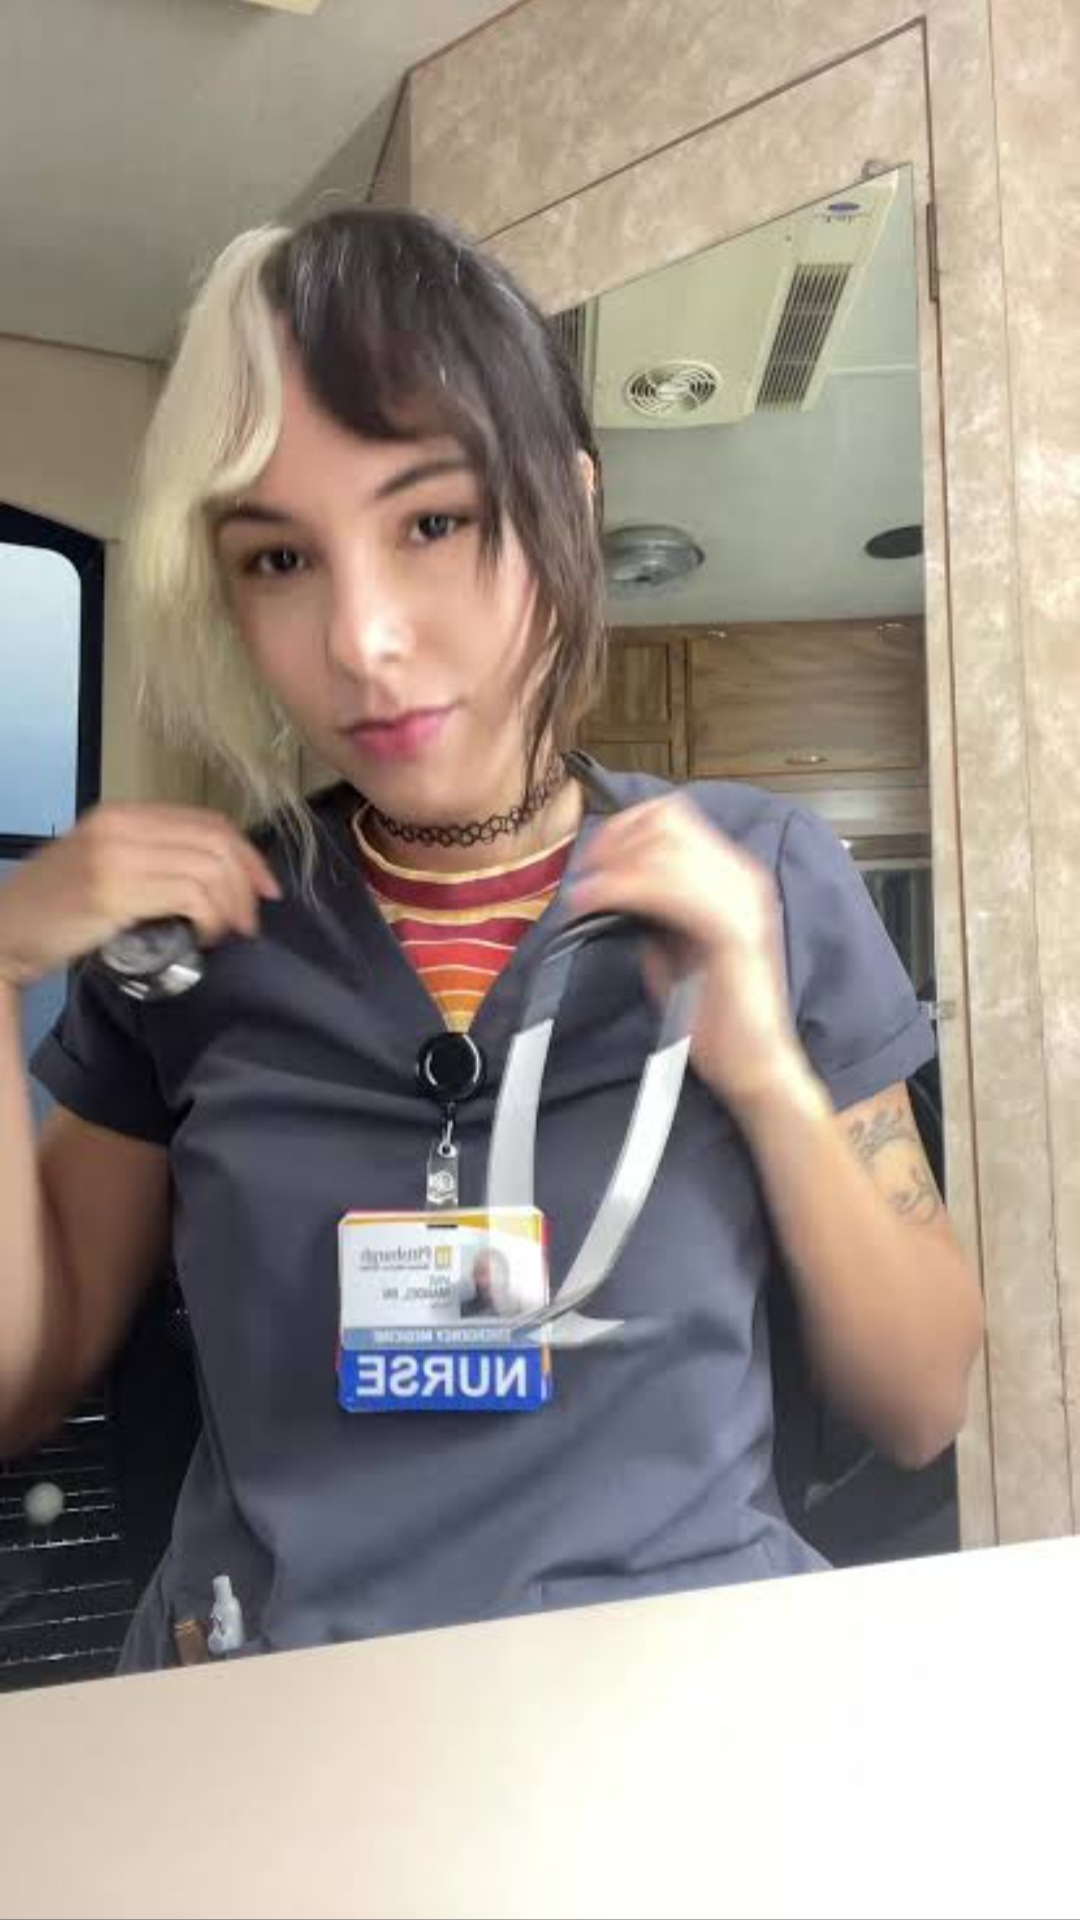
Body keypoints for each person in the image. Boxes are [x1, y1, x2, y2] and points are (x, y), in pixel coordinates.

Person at [0, 208, 983, 1670]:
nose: (363, 639)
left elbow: (920, 1402)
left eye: (433, 523)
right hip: (273, 1712)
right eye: (279, 559)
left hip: (665, 1701)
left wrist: (766, 1072)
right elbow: (20, 1390)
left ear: (569, 504)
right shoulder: (193, 940)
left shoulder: (759, 874)